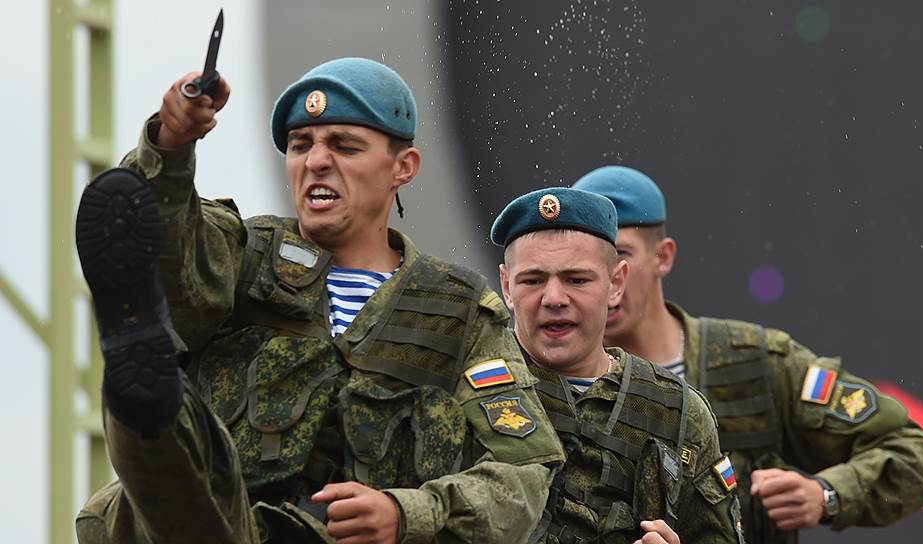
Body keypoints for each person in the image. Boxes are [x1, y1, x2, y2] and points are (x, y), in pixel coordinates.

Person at [73, 58, 565, 544]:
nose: (315, 162)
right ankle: (139, 374)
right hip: (216, 525)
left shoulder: (458, 312)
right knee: (158, 403)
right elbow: (175, 255)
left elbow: (522, 475)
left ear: (403, 167)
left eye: (345, 146)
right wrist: (170, 146)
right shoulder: (240, 257)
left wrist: (407, 513)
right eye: (300, 145)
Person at [572, 165, 923, 543]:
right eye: (586, 268)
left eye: (621, 256)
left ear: (663, 257)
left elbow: (914, 455)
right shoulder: (555, 381)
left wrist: (826, 495)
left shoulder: (750, 364)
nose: (610, 279)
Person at [490, 187, 745, 544]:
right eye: (533, 280)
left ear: (616, 284)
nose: (553, 299)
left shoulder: (678, 414)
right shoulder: (464, 387)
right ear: (506, 285)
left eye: (576, 280)